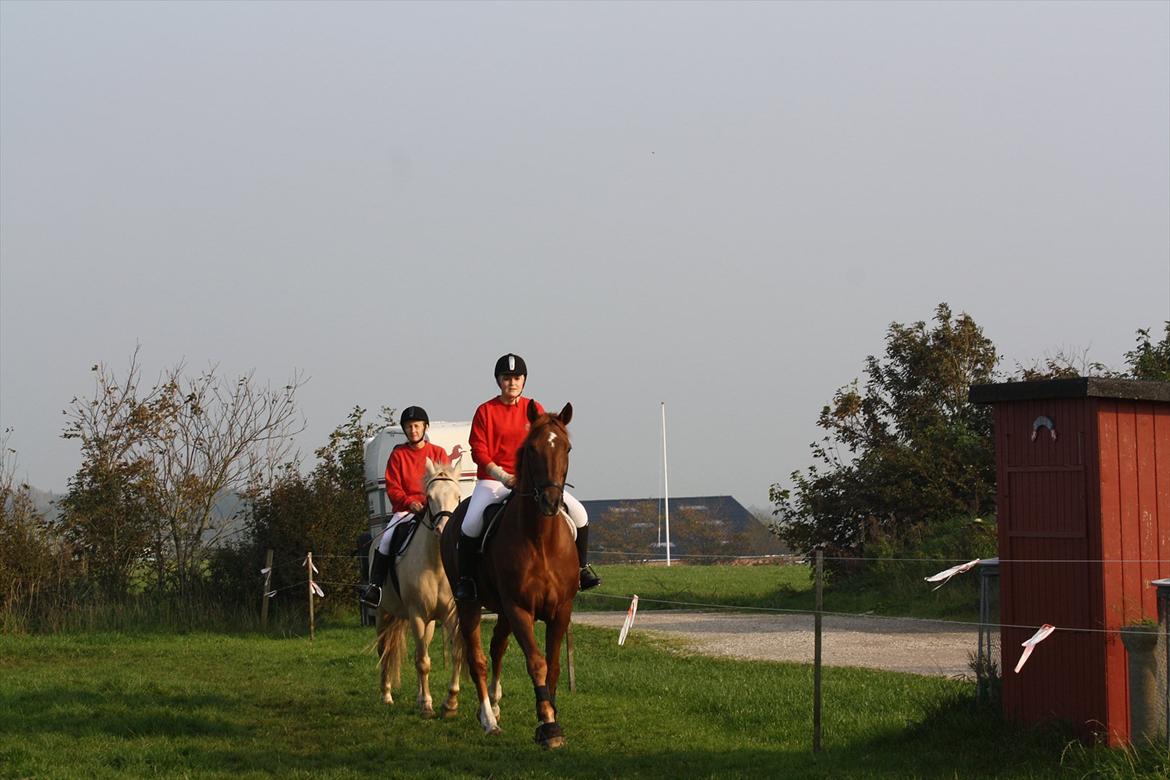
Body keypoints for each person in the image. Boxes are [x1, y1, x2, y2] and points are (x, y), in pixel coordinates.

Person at [453, 353, 600, 601]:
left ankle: (581, 569)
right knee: (470, 524)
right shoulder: (485, 411)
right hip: (493, 481)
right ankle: (466, 581)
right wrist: (502, 475)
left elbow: (546, 446)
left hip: (531, 482)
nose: (512, 383)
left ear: (524, 380)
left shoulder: (534, 409)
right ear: (498, 380)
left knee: (580, 514)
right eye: (506, 378)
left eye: (516, 378)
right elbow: (478, 450)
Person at [360, 405, 450, 607]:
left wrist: (432, 504)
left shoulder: (438, 453)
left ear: (425, 427)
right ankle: (375, 587)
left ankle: (465, 582)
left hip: (435, 509)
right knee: (385, 541)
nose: (413, 430)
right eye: (409, 426)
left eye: (417, 426)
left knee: (455, 536)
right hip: (406, 511)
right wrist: (410, 502)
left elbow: (445, 484)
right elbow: (393, 487)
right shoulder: (398, 455)